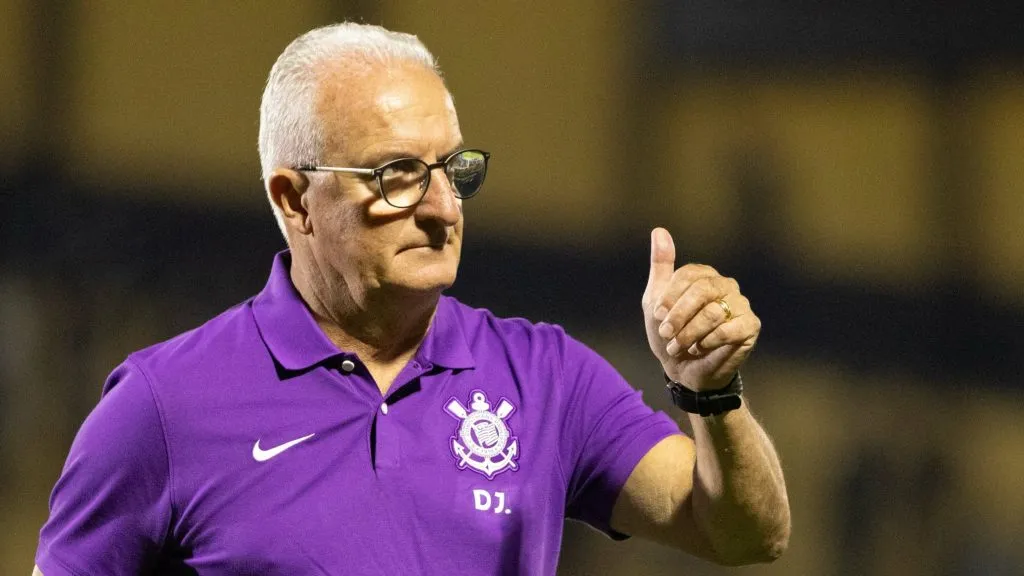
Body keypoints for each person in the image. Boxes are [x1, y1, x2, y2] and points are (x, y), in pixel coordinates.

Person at [33, 22, 789, 576]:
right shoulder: (164, 406)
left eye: (453, 169)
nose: (443, 207)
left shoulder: (546, 377)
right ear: (295, 199)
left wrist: (712, 395)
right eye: (396, 175)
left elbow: (746, 535)